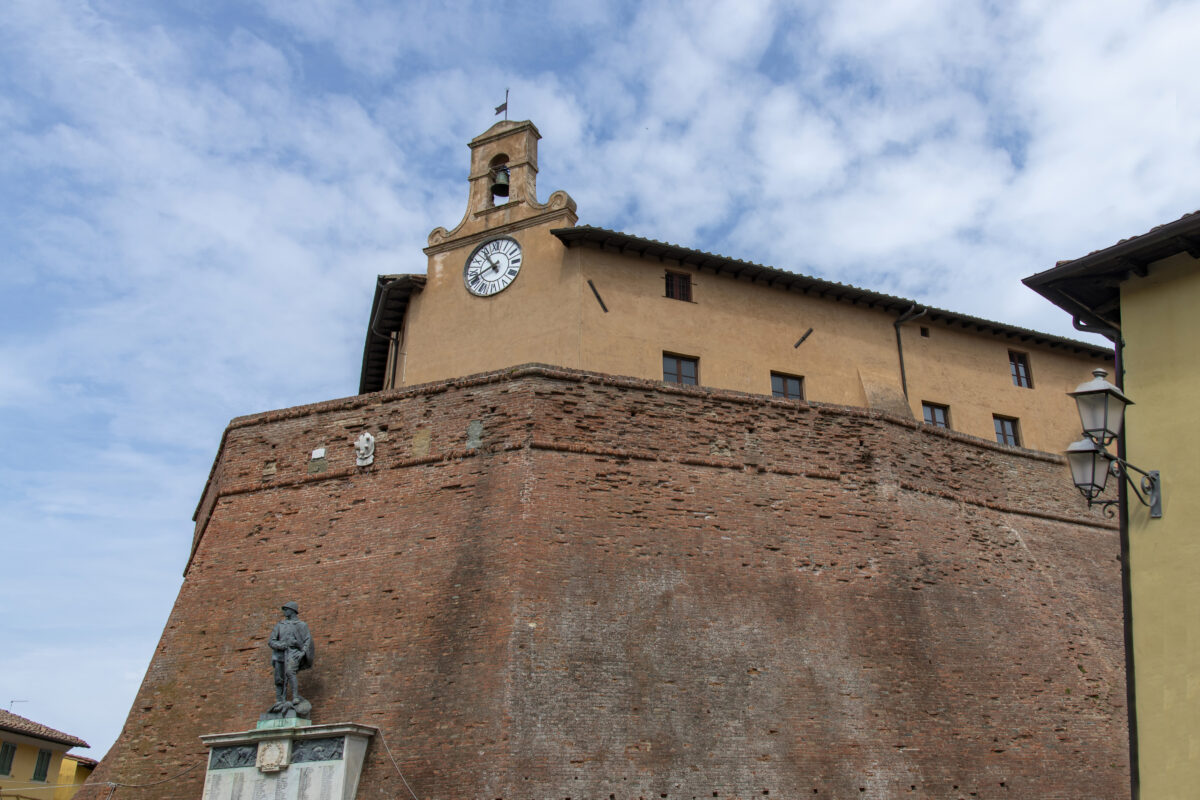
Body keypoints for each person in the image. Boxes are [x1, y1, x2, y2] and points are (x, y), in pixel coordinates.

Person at [269, 601, 314, 706]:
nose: (284, 612)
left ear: (292, 610)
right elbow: (271, 641)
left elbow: (307, 641)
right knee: (279, 677)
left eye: (286, 609)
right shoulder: (280, 625)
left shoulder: (301, 625)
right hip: (280, 654)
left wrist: (302, 653)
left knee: (290, 672)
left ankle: (295, 697)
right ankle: (279, 700)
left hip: (293, 652)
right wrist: (281, 645)